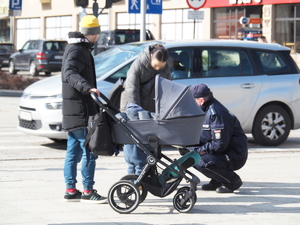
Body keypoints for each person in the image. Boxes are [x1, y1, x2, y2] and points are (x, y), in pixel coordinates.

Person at [61, 15, 106, 203]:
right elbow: (69, 72)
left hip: (75, 109)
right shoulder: (78, 50)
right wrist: (87, 87)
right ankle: (88, 191)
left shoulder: (76, 48)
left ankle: (71, 191)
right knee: (89, 150)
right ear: (94, 33)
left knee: (73, 151)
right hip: (80, 110)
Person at [120, 44, 171, 175]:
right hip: (133, 108)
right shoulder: (138, 66)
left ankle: (145, 174)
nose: (158, 68)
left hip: (150, 109)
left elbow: (168, 87)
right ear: (150, 57)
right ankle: (133, 176)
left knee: (148, 144)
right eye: (155, 65)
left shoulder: (165, 69)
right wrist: (135, 115)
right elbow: (132, 91)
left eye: (161, 66)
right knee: (134, 144)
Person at [190, 84, 248, 193]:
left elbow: (219, 145)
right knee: (187, 152)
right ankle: (217, 179)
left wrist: (198, 150)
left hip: (234, 155)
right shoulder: (204, 109)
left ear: (201, 100)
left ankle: (232, 181)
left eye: (193, 100)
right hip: (222, 152)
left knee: (200, 160)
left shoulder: (217, 114)